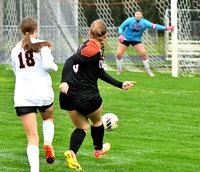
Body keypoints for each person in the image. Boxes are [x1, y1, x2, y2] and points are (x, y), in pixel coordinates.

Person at [59, 19, 137, 171]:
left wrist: (120, 84)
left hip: (68, 96)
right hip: (87, 97)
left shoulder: (85, 46)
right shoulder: (92, 50)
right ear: (106, 36)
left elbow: (99, 72)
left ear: (89, 33)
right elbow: (70, 60)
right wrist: (63, 81)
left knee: (82, 126)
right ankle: (98, 149)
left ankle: (71, 152)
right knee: (96, 122)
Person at [11, 17, 58, 172]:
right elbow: (47, 65)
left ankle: (34, 170)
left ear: (20, 31)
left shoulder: (14, 50)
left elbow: (15, 71)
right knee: (48, 117)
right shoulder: (42, 44)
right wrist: (56, 67)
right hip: (42, 93)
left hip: (23, 96)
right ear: (36, 29)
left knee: (32, 137)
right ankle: (48, 142)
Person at [116, 9, 174, 76]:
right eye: (136, 14)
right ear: (134, 15)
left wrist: (166, 28)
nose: (138, 15)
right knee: (118, 54)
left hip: (136, 40)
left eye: (139, 14)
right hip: (125, 39)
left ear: (141, 15)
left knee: (143, 54)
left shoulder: (144, 22)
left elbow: (154, 26)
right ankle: (119, 69)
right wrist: (120, 34)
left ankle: (149, 71)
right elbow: (121, 27)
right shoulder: (129, 20)